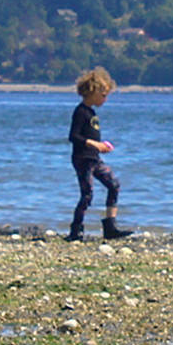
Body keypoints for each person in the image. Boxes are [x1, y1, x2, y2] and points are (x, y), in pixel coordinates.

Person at [66, 66, 132, 241]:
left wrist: (102, 147)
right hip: (82, 159)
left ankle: (110, 226)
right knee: (87, 195)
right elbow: (74, 136)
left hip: (94, 159)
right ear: (92, 92)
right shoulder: (80, 111)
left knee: (114, 185)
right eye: (103, 95)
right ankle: (76, 230)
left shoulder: (92, 113)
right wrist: (94, 143)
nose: (105, 99)